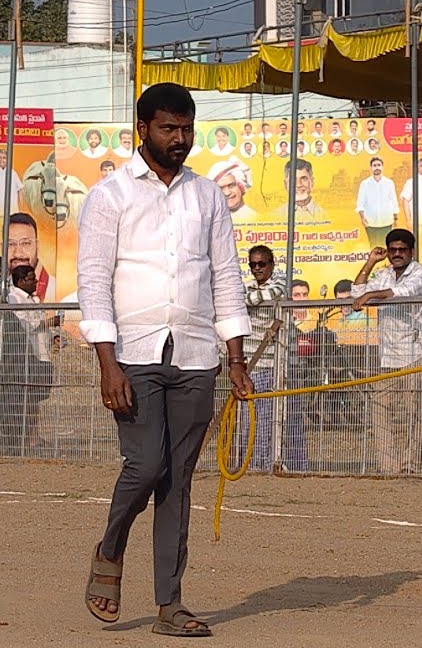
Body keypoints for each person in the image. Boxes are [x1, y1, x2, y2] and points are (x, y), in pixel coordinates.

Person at [78, 83, 253, 637]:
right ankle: (110, 546)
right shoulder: (110, 196)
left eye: (186, 128)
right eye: (168, 129)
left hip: (198, 354)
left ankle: (169, 605)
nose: (180, 139)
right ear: (143, 130)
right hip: (131, 353)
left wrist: (237, 354)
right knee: (145, 465)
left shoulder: (206, 196)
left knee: (178, 481)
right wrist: (107, 363)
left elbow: (225, 275)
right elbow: (93, 282)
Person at [351, 228, 422, 473]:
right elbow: (356, 292)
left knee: (413, 414)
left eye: (402, 250)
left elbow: (403, 293)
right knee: (380, 410)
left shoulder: (421, 273)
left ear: (411, 252)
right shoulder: (384, 273)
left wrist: (370, 296)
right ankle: (389, 467)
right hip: (387, 354)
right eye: (393, 250)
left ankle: (410, 466)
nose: (397, 254)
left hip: (414, 353)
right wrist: (370, 262)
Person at [241, 245, 307, 471]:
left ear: (271, 264)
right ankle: (255, 463)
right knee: (252, 421)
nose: (257, 268)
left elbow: (270, 295)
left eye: (262, 264)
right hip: (252, 364)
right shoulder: (245, 287)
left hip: (278, 363)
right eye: (253, 265)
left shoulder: (280, 283)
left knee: (282, 419)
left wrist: (247, 299)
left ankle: (287, 464)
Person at [3, 265, 58, 456]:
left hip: (41, 355)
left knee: (36, 399)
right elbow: (23, 327)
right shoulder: (13, 299)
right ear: (20, 281)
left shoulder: (32, 300)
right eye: (30, 278)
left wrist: (54, 335)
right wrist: (49, 323)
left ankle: (33, 437)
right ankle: (22, 439)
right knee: (22, 399)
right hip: (25, 357)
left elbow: (40, 327)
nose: (35, 281)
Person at [7, 212, 55, 301]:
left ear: (37, 245)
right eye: (11, 244)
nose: (18, 253)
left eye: (25, 243)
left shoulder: (53, 288)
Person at [356, 157, 398, 247]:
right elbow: (360, 203)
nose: (377, 167)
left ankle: (385, 262)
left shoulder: (389, 183)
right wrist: (362, 218)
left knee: (385, 246)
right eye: (374, 165)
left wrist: (395, 219)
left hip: (386, 221)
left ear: (382, 167)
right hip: (370, 222)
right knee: (373, 246)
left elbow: (394, 201)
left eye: (379, 165)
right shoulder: (365, 184)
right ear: (371, 168)